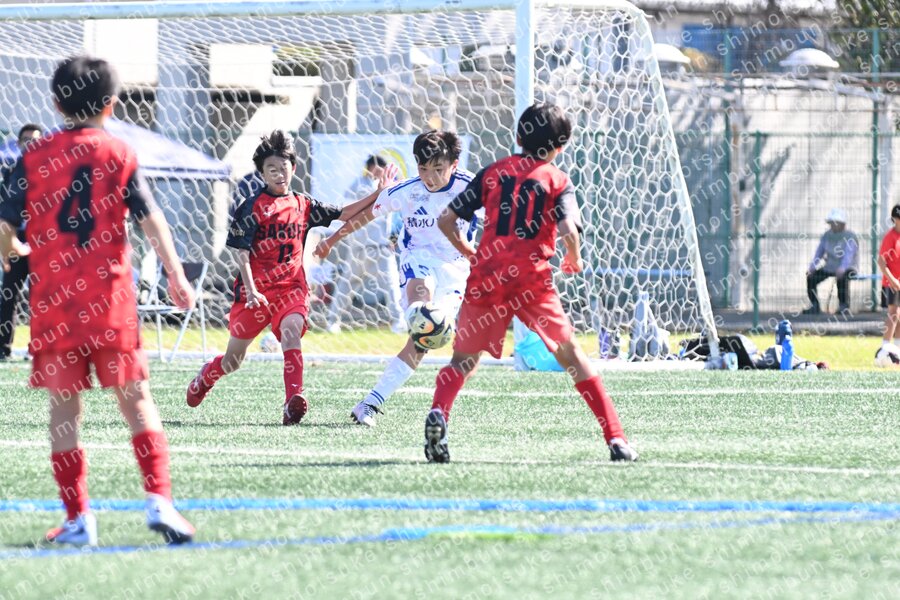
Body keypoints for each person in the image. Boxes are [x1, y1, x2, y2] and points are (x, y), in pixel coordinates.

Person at [0, 56, 196, 546]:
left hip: (55, 302)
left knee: (64, 411)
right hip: (110, 299)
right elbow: (151, 219)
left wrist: (12, 250)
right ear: (112, 104)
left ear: (56, 102)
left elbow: (5, 224)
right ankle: (160, 501)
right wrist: (175, 275)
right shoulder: (119, 152)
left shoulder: (33, 155)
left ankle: (78, 518)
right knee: (136, 400)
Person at [421, 103, 638, 463]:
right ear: (561, 147)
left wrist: (470, 252)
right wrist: (574, 257)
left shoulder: (493, 172)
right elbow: (568, 229)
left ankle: (439, 412)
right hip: (529, 279)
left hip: (488, 275)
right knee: (572, 356)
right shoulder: (557, 180)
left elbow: (446, 220)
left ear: (519, 138)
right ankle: (616, 438)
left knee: (463, 361)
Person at [185, 130, 392, 424]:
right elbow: (241, 253)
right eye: (271, 169)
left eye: (283, 167)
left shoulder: (303, 204)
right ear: (262, 173)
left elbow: (345, 213)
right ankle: (207, 375)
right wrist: (251, 289)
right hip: (255, 294)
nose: (279, 173)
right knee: (233, 360)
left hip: (291, 289)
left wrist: (379, 193)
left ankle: (293, 400)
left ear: (293, 168)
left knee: (292, 330)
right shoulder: (251, 206)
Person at [314, 131, 480, 427]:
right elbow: (365, 215)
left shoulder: (472, 187)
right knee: (421, 314)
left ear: (454, 164)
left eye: (438, 169)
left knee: (422, 341)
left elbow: (502, 216)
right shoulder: (407, 190)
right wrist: (331, 240)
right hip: (418, 259)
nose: (430, 177)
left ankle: (368, 404)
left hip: (456, 270)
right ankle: (416, 313)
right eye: (423, 168)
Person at [324, 154, 404, 334]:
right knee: (347, 286)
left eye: (382, 168)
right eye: (376, 167)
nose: (379, 171)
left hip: (382, 247)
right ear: (369, 168)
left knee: (391, 286)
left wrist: (393, 240)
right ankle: (333, 321)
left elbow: (396, 217)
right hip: (359, 248)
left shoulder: (389, 187)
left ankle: (398, 322)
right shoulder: (358, 186)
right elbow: (348, 210)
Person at [0, 123, 43, 360]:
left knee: (40, 297)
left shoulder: (50, 171)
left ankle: (37, 347)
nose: (31, 144)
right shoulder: (10, 172)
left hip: (42, 240)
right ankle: (3, 347)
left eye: (36, 140)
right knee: (9, 294)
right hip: (16, 237)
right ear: (18, 143)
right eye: (27, 140)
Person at [804, 208, 858, 315]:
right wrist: (812, 267)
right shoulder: (826, 236)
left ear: (843, 224)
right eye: (831, 223)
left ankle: (843, 306)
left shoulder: (850, 236)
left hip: (848, 268)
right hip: (830, 267)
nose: (833, 225)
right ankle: (814, 305)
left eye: (836, 222)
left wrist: (842, 268)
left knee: (842, 278)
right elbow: (819, 253)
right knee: (811, 278)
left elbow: (849, 255)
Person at [878, 204, 900, 349]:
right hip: (891, 283)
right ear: (895, 219)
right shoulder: (890, 237)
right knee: (893, 314)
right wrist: (893, 281)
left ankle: (897, 350)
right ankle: (884, 348)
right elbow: (881, 262)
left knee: (899, 316)